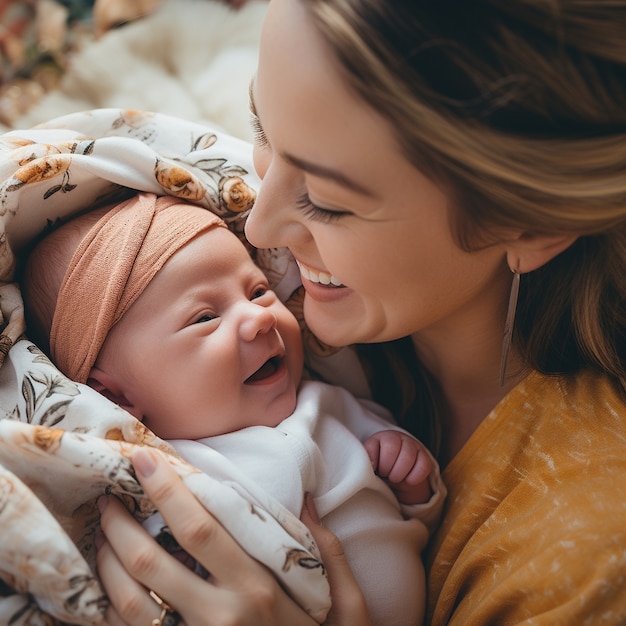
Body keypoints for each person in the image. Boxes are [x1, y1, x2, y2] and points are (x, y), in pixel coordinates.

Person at [89, 0, 626, 624]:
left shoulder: (580, 565)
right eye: (262, 127)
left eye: (327, 202)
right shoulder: (266, 289)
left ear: (531, 222)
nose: (259, 225)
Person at [22, 191, 444, 626]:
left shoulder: (327, 400)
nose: (259, 317)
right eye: (205, 318)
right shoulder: (166, 471)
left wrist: (410, 476)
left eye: (258, 290)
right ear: (118, 399)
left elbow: (414, 503)